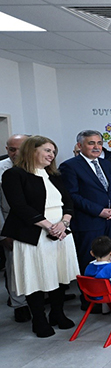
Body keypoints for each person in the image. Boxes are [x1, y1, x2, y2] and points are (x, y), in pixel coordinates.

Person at [2, 136, 79, 337]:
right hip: (33, 234)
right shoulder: (14, 174)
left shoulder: (54, 175)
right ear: (31, 150)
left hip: (60, 232)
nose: (51, 155)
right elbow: (19, 206)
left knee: (59, 274)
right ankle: (39, 319)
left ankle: (57, 313)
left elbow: (68, 202)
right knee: (35, 276)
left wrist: (64, 223)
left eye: (53, 151)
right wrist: (48, 226)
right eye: (47, 150)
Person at [60, 130, 111, 311]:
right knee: (90, 262)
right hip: (89, 223)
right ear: (80, 146)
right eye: (91, 143)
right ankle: (91, 302)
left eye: (99, 143)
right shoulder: (70, 166)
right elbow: (72, 196)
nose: (96, 147)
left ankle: (109, 297)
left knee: (109, 261)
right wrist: (99, 211)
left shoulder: (107, 164)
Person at [0, 134, 30, 322]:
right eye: (12, 149)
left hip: (37, 224)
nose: (16, 153)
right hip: (10, 224)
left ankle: (39, 299)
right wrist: (3, 234)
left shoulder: (38, 165)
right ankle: (19, 304)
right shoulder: (1, 169)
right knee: (15, 267)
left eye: (21, 148)